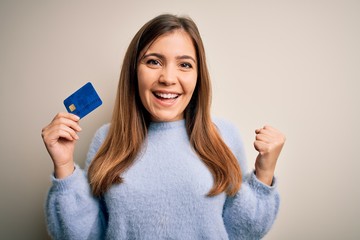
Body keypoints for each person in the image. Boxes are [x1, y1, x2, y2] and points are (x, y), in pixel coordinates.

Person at [41, 14, 286, 240]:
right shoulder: (106, 138)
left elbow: (240, 231)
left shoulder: (223, 136)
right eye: (154, 61)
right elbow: (84, 235)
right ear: (134, 71)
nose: (168, 78)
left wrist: (264, 172)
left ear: (198, 76)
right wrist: (64, 167)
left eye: (185, 65)